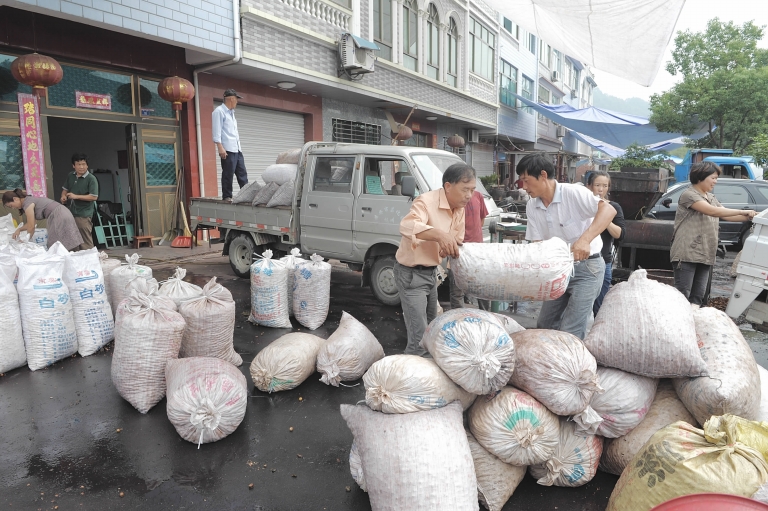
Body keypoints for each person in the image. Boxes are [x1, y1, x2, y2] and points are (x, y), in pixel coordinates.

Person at [517, 153, 616, 339]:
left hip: (588, 268)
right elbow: (537, 243)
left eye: (526, 180)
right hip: (557, 269)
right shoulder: (532, 206)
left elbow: (609, 210)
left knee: (572, 329)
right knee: (545, 324)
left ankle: (571, 357)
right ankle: (551, 356)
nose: (524, 187)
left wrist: (585, 240)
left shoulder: (573, 192)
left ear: (543, 175)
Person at [395, 162, 474, 356]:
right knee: (419, 338)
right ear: (448, 186)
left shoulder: (459, 208)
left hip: (432, 273)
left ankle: (427, 367)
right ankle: (409, 372)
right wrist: (438, 235)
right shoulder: (425, 202)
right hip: (411, 274)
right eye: (465, 190)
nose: (469, 196)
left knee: (431, 330)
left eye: (472, 190)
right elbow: (407, 226)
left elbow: (456, 241)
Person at [670, 161, 757, 307]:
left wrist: (754, 217)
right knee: (683, 295)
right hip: (687, 252)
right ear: (700, 177)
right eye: (713, 178)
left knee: (698, 296)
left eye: (716, 178)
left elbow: (726, 215)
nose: (715, 181)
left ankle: (694, 318)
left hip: (706, 252)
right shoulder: (689, 195)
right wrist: (743, 211)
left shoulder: (710, 197)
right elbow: (713, 211)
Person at [586, 170, 625, 315]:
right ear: (589, 186)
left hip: (603, 261)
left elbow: (620, 234)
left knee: (599, 306)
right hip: (581, 260)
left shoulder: (613, 207)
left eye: (605, 186)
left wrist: (605, 216)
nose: (601, 189)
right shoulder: (582, 206)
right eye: (597, 185)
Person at [3, 188, 83, 251]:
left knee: (56, 244)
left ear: (15, 199)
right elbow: (32, 223)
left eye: (11, 206)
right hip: (63, 213)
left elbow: (31, 226)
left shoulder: (27, 204)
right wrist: (19, 229)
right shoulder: (28, 201)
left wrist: (26, 241)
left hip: (58, 215)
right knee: (67, 240)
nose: (13, 208)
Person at [449, 188, 489, 310]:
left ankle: (486, 316)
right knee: (457, 290)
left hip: (477, 250)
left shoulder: (478, 196)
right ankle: (459, 318)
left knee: (482, 288)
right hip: (458, 250)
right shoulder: (451, 198)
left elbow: (481, 220)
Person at [212, 89, 248, 202]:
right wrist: (220, 147)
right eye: (236, 99)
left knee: (242, 173)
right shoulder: (219, 112)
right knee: (228, 173)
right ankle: (227, 196)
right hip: (227, 149)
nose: (237, 102)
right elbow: (217, 131)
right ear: (232, 99)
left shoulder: (231, 113)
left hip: (237, 148)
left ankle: (246, 194)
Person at [60, 153, 98, 250]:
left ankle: (90, 257)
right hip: (71, 213)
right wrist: (63, 196)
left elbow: (94, 197)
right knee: (72, 239)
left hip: (84, 214)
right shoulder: (71, 175)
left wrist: (76, 196)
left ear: (87, 165)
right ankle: (76, 258)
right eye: (78, 164)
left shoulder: (91, 179)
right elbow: (65, 189)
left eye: (83, 164)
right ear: (73, 166)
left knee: (85, 240)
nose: (81, 167)